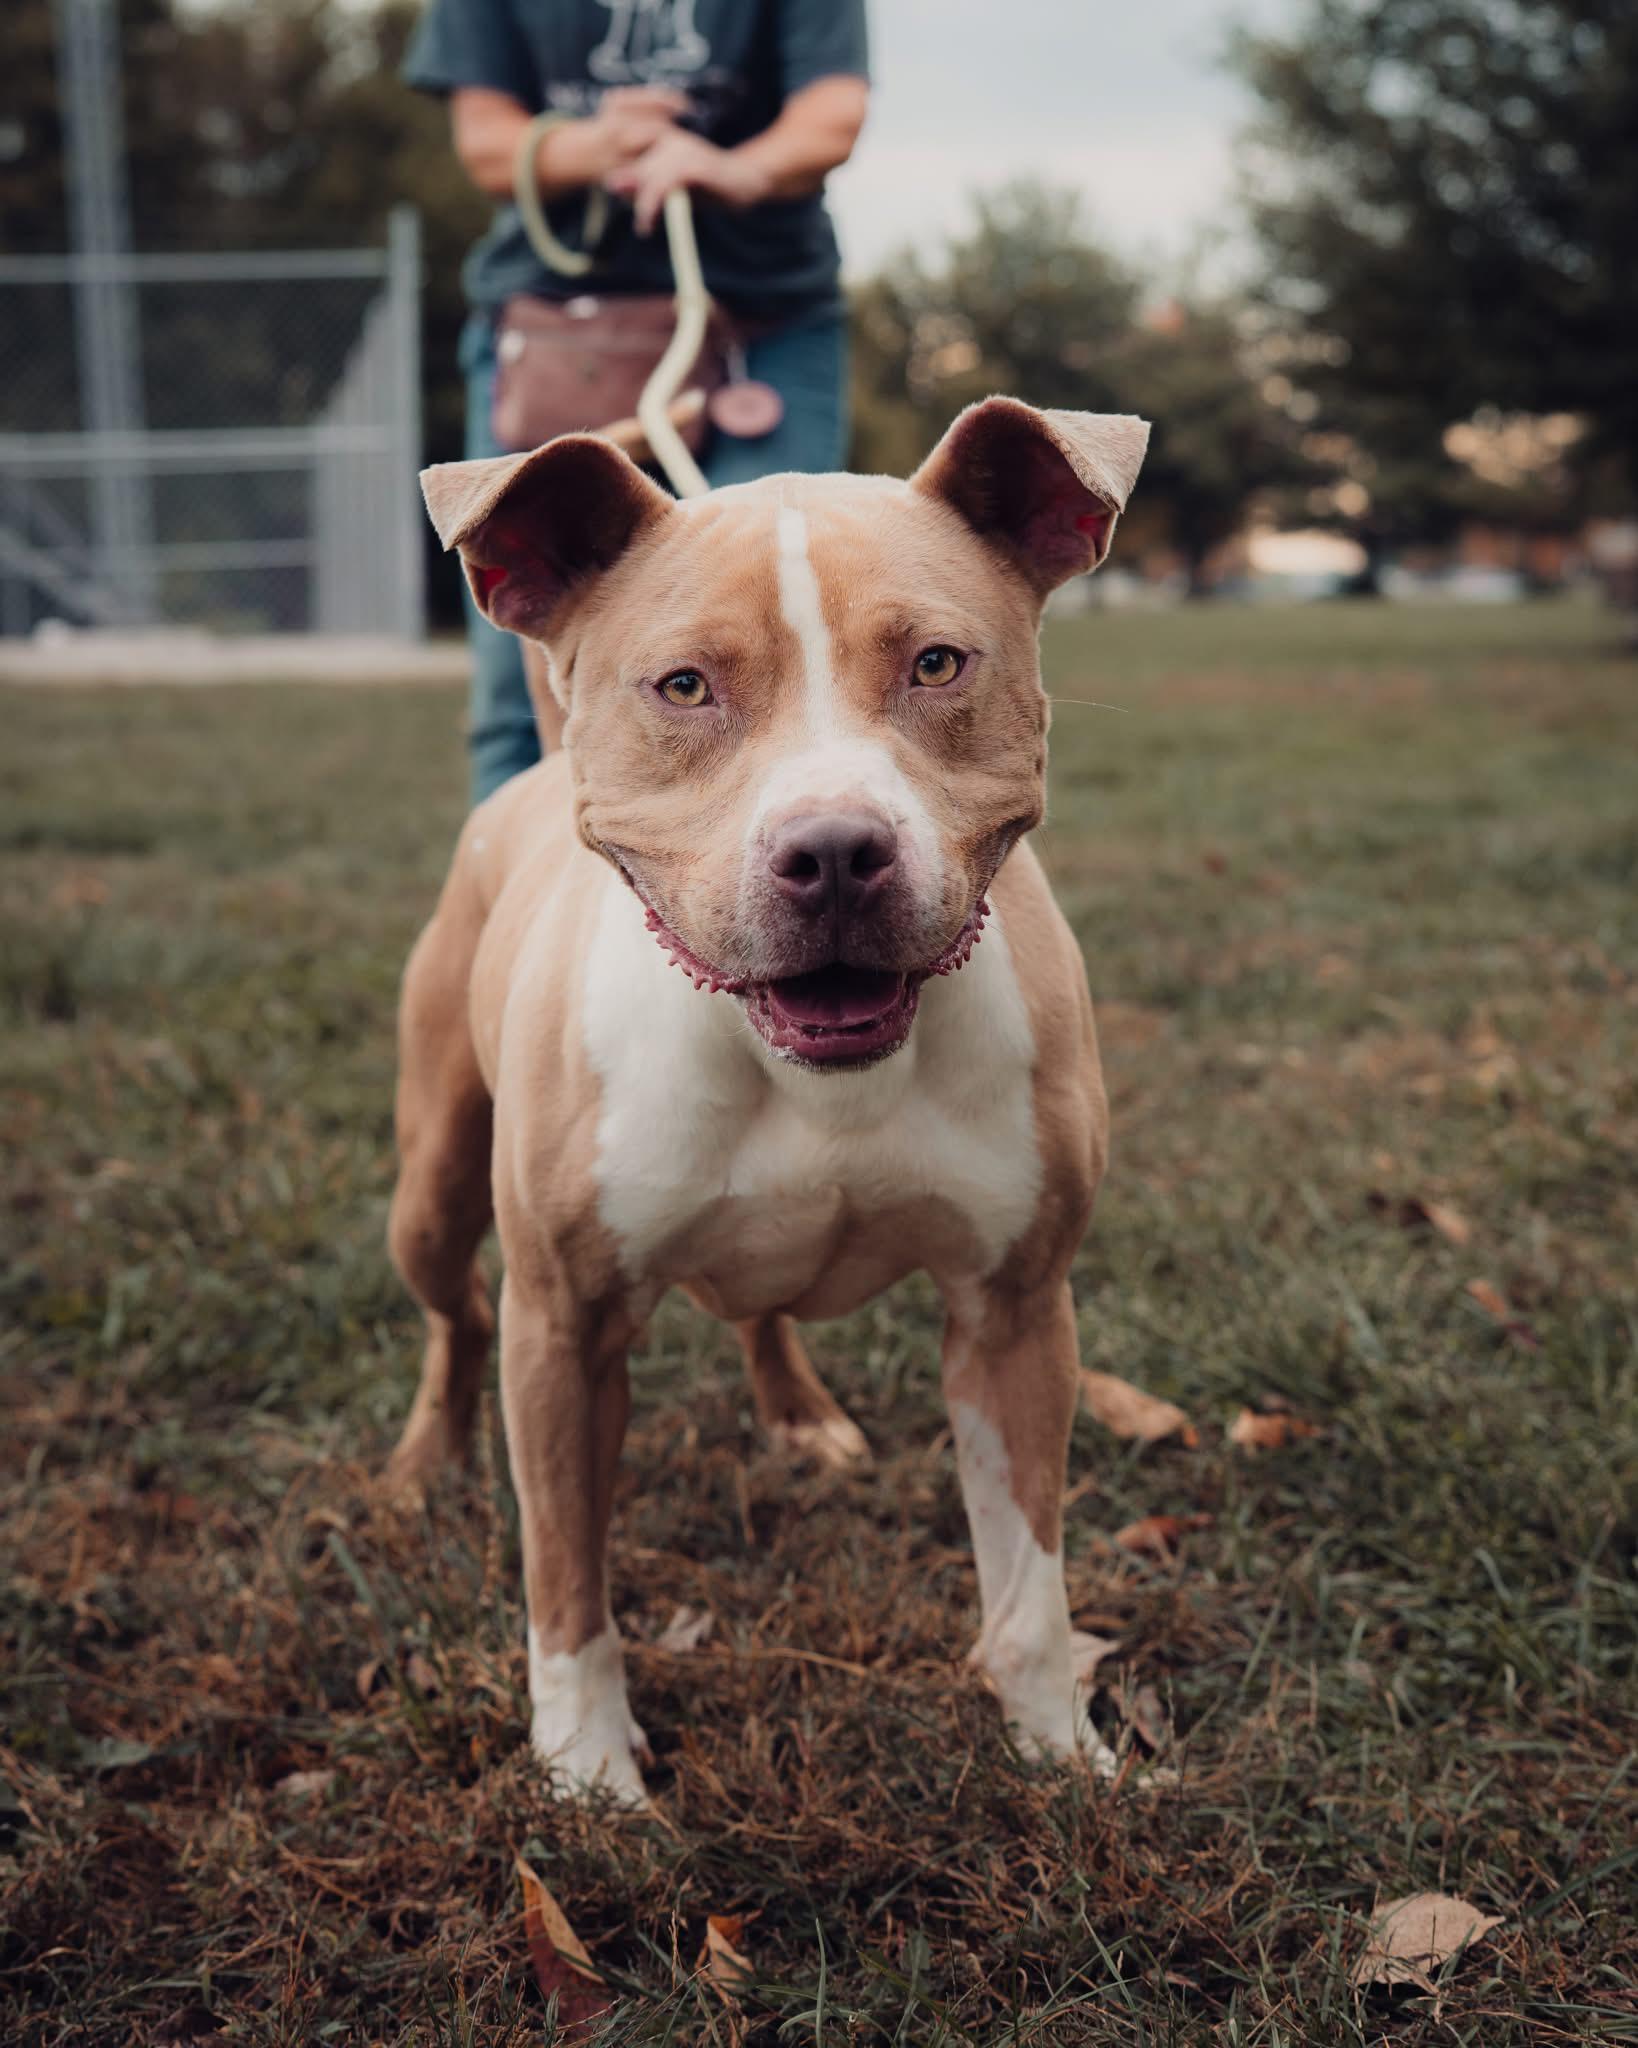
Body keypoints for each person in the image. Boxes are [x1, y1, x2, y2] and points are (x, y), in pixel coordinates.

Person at [404, 0, 870, 803]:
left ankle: (777, 860)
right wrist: (597, 145)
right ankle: (518, 877)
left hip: (763, 324)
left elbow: (830, 115)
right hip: (555, 330)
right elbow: (487, 143)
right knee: (521, 667)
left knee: (783, 628)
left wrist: (734, 168)